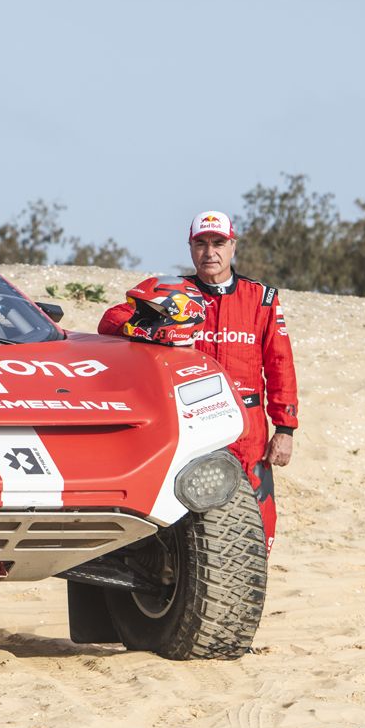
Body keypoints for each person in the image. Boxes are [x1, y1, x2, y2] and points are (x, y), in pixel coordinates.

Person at [98, 210, 298, 552]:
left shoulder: (261, 299)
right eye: (201, 244)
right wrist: (150, 326)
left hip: (248, 427)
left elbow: (280, 363)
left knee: (256, 519)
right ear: (190, 248)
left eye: (218, 243)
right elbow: (111, 320)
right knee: (188, 513)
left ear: (232, 246)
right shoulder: (173, 291)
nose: (210, 252)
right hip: (191, 421)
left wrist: (285, 428)